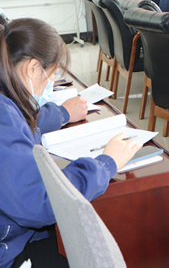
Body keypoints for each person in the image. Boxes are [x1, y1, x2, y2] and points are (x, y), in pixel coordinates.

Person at [0, 18, 141, 268]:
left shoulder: (7, 99)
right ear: (33, 68)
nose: (51, 83)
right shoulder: (3, 116)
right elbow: (42, 202)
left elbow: (26, 126)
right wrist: (106, 163)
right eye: (52, 74)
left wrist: (62, 114)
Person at [0, 13, 87, 135]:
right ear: (33, 69)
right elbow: (24, 127)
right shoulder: (6, 116)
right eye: (53, 73)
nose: (52, 80)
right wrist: (63, 113)